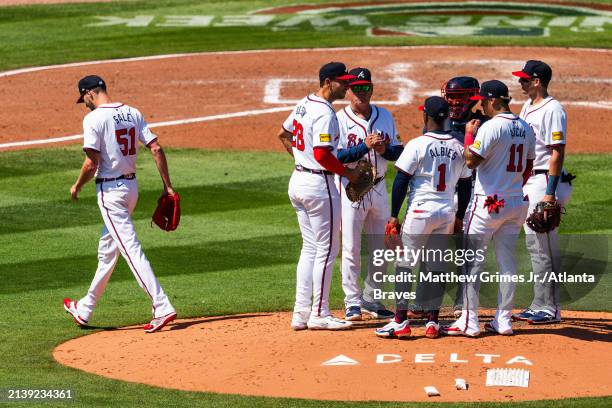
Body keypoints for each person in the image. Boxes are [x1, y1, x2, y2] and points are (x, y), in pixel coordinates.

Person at [63, 75, 177, 333]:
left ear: (90, 93)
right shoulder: (132, 112)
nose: (85, 105)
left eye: (84, 100)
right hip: (131, 189)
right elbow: (156, 149)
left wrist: (77, 185)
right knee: (108, 250)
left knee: (130, 249)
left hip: (110, 193)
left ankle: (162, 306)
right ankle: (85, 308)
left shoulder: (93, 119)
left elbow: (91, 163)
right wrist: (168, 186)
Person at [442, 80, 535, 337]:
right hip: (516, 201)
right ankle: (503, 321)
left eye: (483, 101)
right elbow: (528, 167)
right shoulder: (526, 127)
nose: (480, 104)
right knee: (508, 262)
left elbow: (471, 161)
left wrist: (470, 135)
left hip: (487, 204)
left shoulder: (491, 127)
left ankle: (470, 321)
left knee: (472, 261)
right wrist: (511, 185)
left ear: (494, 101)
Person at [375, 96, 472, 339]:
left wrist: (394, 216)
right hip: (447, 212)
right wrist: (459, 215)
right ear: (447, 117)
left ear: (425, 117)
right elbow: (465, 186)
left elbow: (401, 180)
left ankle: (400, 322)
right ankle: (432, 322)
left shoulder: (418, 144)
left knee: (405, 264)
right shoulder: (459, 147)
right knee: (436, 267)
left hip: (420, 212)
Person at [277, 62, 362, 331]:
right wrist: (348, 174)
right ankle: (320, 313)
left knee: (310, 248)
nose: (347, 85)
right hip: (318, 185)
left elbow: (284, 133)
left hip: (299, 180)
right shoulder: (325, 113)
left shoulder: (304, 103)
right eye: (342, 81)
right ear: (328, 82)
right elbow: (323, 155)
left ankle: (300, 312)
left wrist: (300, 160)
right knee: (327, 251)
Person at [335, 67, 404, 321]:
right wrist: (362, 147)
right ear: (349, 91)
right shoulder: (339, 120)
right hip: (352, 189)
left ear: (371, 89)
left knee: (382, 247)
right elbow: (336, 156)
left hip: (379, 187)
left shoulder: (385, 115)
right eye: (356, 89)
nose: (361, 93)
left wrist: (384, 148)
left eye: (366, 88)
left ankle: (371, 298)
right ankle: (352, 301)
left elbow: (399, 152)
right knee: (351, 247)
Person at [511, 60, 573, 324]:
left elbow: (557, 151)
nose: (520, 83)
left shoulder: (553, 109)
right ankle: (540, 303)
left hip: (544, 182)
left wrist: (549, 193)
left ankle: (551, 307)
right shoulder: (527, 106)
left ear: (537, 81)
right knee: (535, 247)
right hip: (529, 181)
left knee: (544, 247)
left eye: (525, 79)